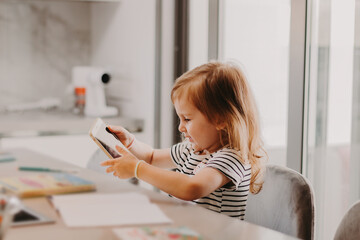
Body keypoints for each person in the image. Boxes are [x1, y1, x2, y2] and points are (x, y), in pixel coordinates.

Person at [101, 61, 267, 220]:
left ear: (220, 120)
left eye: (187, 119)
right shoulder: (193, 149)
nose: (181, 127)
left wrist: (137, 169)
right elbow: (151, 157)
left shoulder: (232, 158)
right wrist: (130, 142)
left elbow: (191, 188)